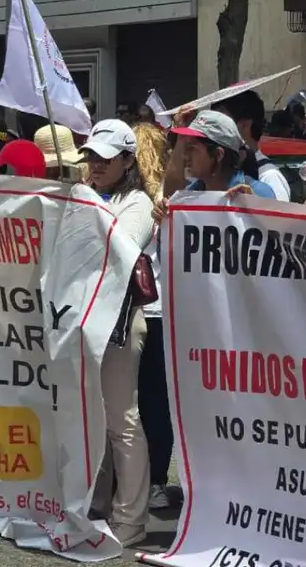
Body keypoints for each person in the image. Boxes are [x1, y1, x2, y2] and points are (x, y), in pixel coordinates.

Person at [80, 118, 155, 546]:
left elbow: (116, 251)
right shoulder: (90, 195)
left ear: (128, 160)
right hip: (86, 318)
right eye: (91, 155)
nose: (96, 164)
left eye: (105, 157)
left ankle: (131, 519)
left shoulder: (138, 204)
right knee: (93, 417)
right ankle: (99, 504)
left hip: (121, 322)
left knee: (122, 420)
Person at [131, 122, 174, 510]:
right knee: (153, 402)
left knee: (143, 402)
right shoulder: (158, 197)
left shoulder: (159, 199)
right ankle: (153, 479)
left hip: (147, 307)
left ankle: (154, 479)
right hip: (158, 310)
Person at [159, 110, 276, 201]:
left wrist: (256, 207)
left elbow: (279, 230)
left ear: (218, 155)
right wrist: (165, 216)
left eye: (192, 149)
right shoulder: (191, 194)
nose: (185, 156)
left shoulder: (260, 193)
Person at [213, 90, 291, 201]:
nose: (212, 131)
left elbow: (279, 217)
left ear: (245, 125)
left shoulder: (270, 177)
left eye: (221, 124)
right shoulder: (215, 173)